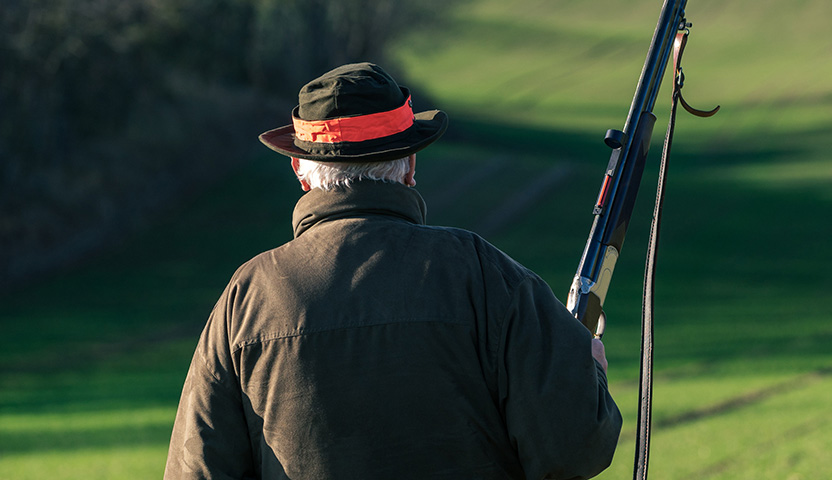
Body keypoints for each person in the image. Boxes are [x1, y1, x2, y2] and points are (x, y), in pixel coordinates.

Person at [165, 62, 622, 479]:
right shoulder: (482, 273)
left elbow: (197, 471)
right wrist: (591, 371)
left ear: (301, 172)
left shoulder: (247, 296)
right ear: (410, 167)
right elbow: (574, 449)